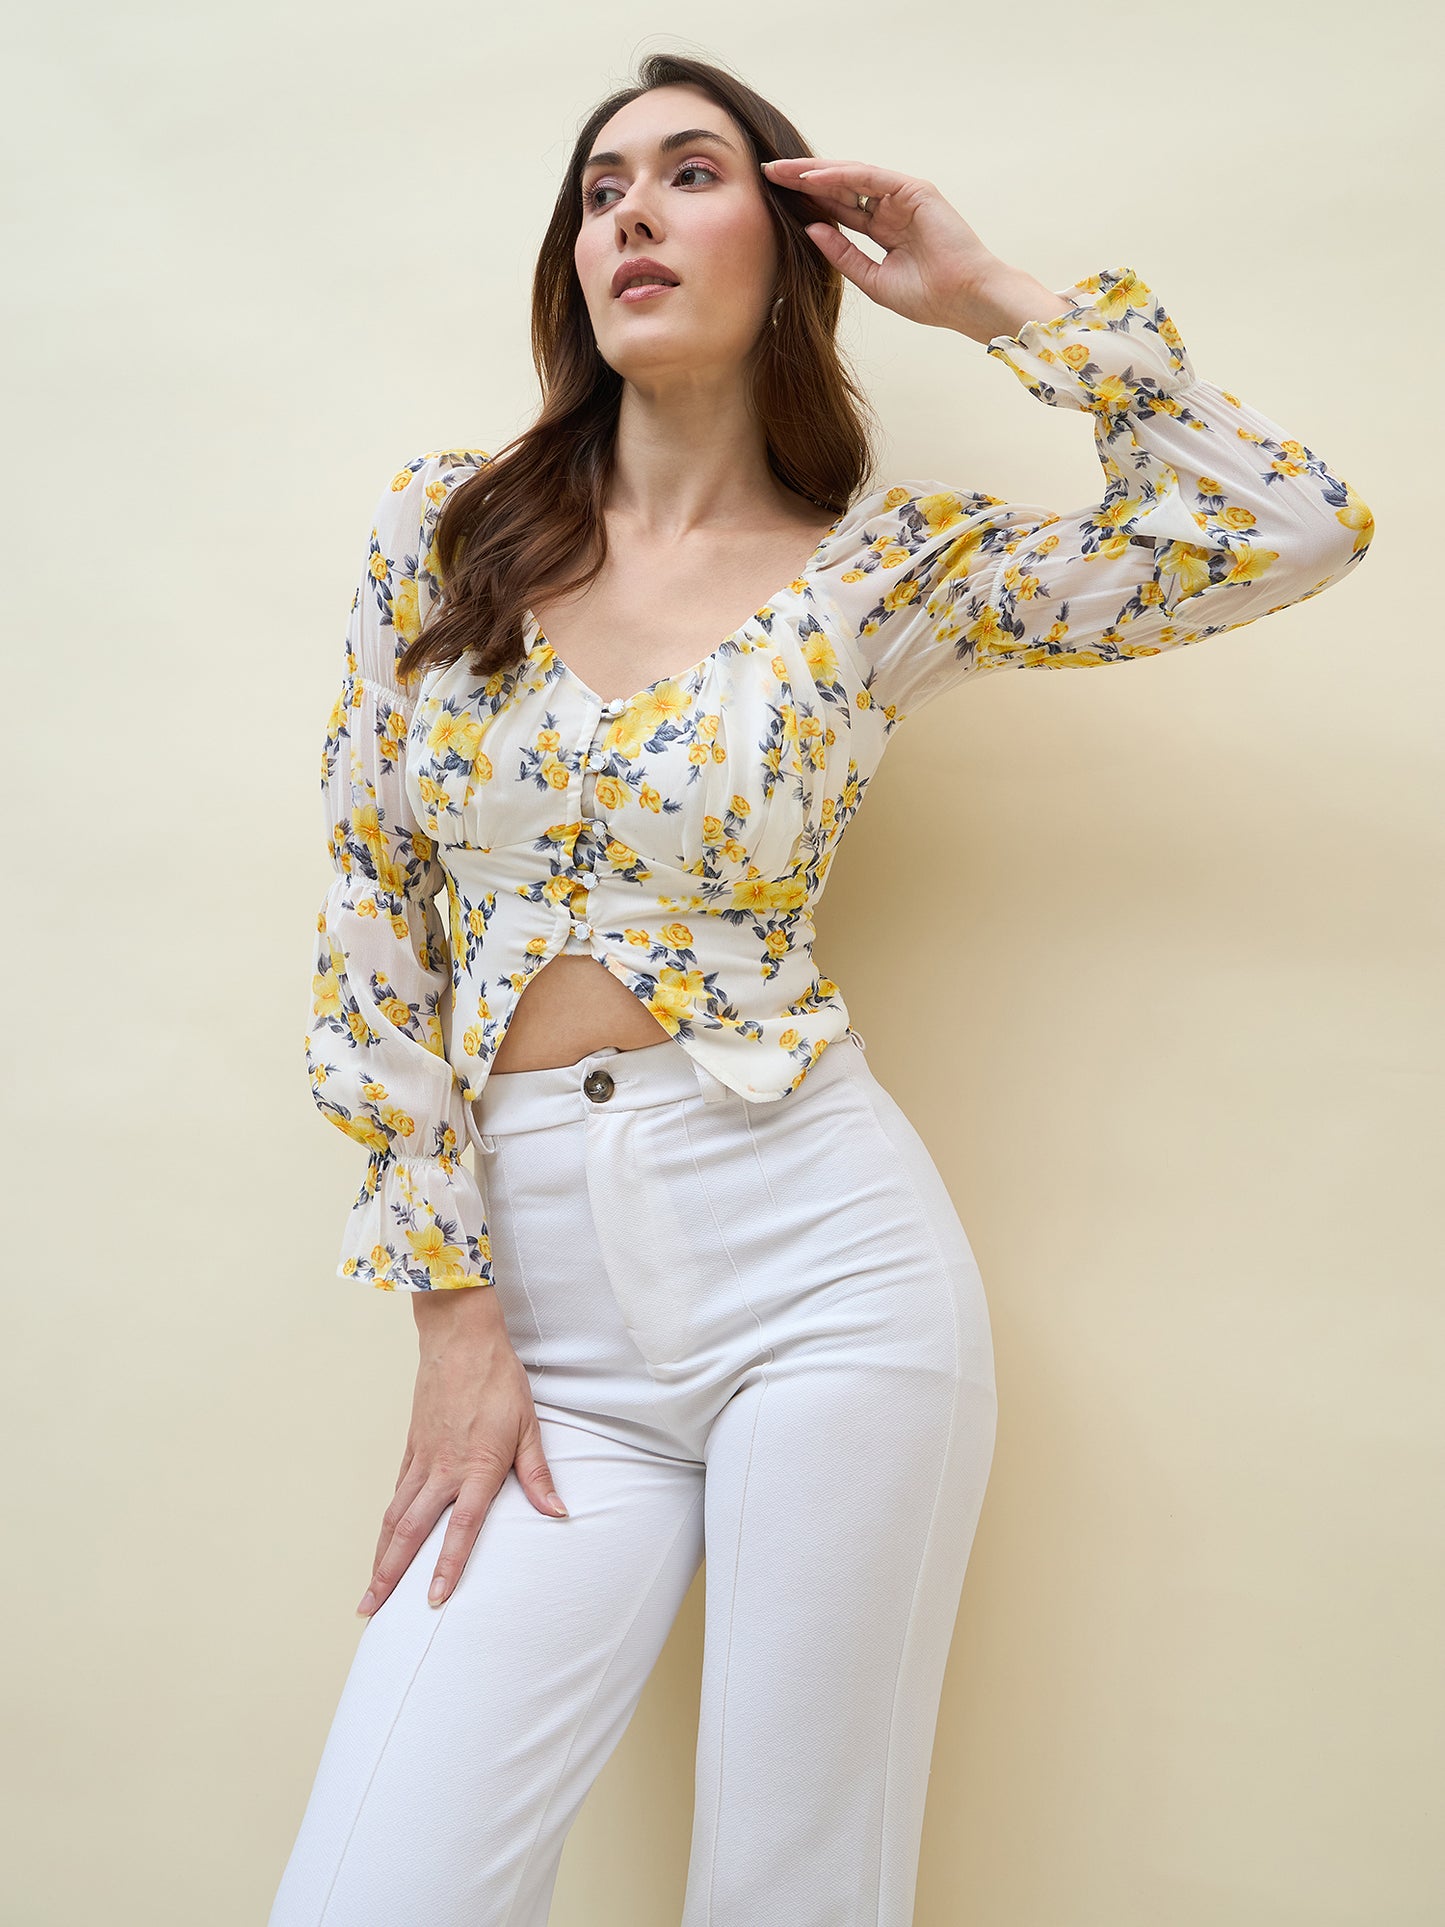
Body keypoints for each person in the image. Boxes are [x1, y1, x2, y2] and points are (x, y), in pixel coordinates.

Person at [271, 49, 1374, 1927]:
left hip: (816, 1262)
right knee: (375, 1892)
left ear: (789, 248)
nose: (630, 208)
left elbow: (1288, 525)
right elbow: (373, 925)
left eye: (689, 172)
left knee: (793, 1889)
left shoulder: (885, 577)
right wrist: (453, 1320)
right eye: (600, 187)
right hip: (536, 1308)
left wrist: (985, 293)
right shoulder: (445, 537)